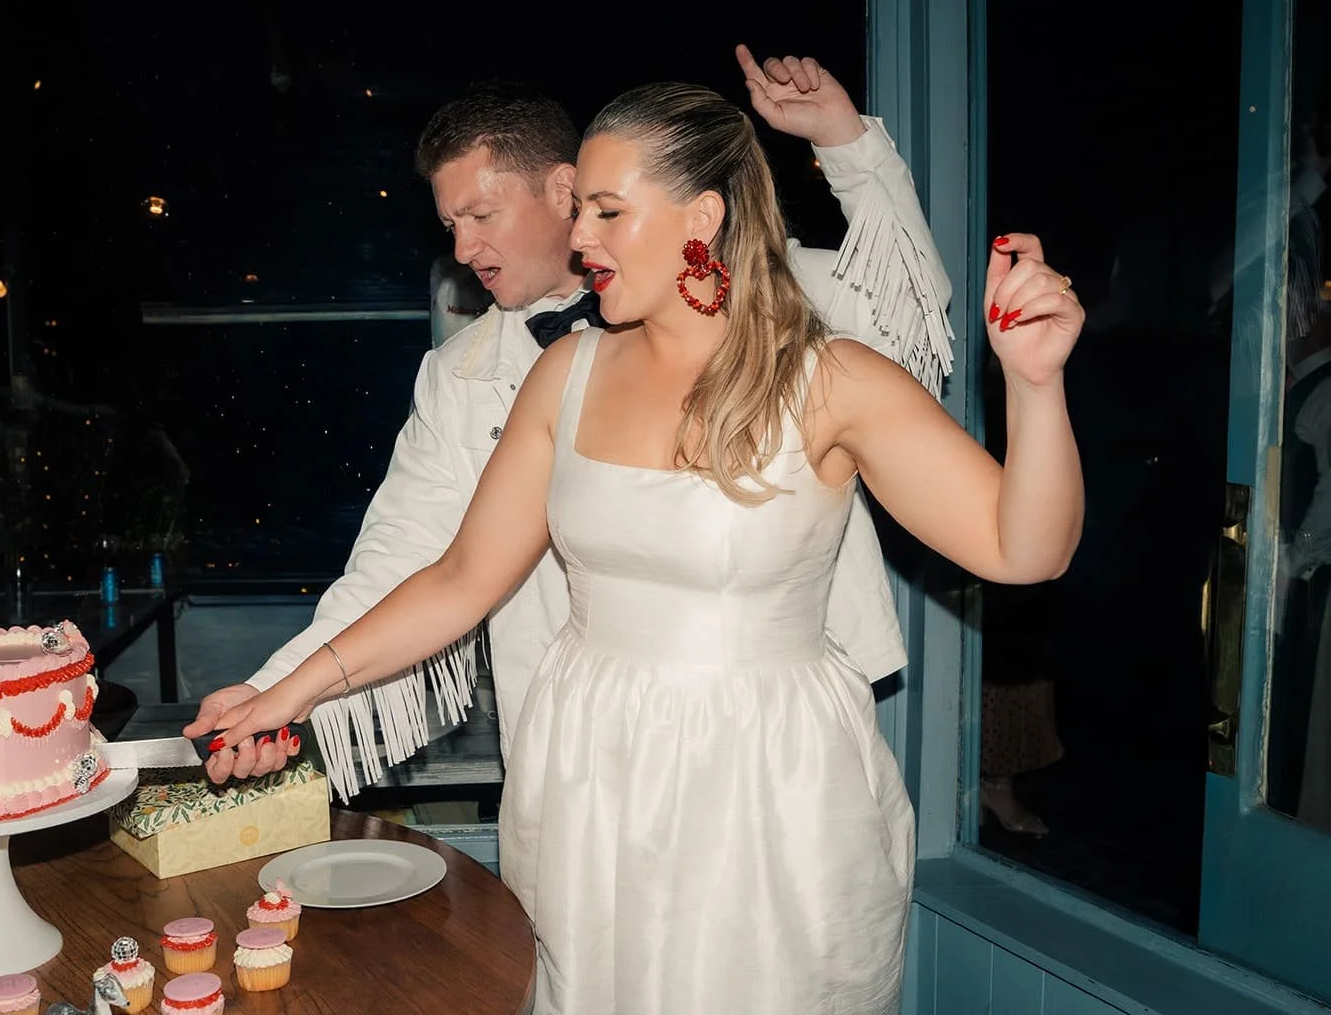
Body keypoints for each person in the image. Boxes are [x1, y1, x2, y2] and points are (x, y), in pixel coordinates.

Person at [196, 80, 1084, 1015]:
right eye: (580, 211)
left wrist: (1033, 385)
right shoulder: (561, 375)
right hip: (584, 768)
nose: (581, 240)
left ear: (702, 218)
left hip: (767, 777)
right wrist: (289, 691)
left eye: (608, 212)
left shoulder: (831, 380)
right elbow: (457, 579)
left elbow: (1025, 549)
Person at [193, 48, 955, 801]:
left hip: (771, 735)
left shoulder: (755, 293)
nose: (462, 249)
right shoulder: (458, 378)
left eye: (481, 215)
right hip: (576, 745)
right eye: (450, 223)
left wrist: (844, 142)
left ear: (565, 190)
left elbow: (909, 315)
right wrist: (275, 692)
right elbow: (401, 562)